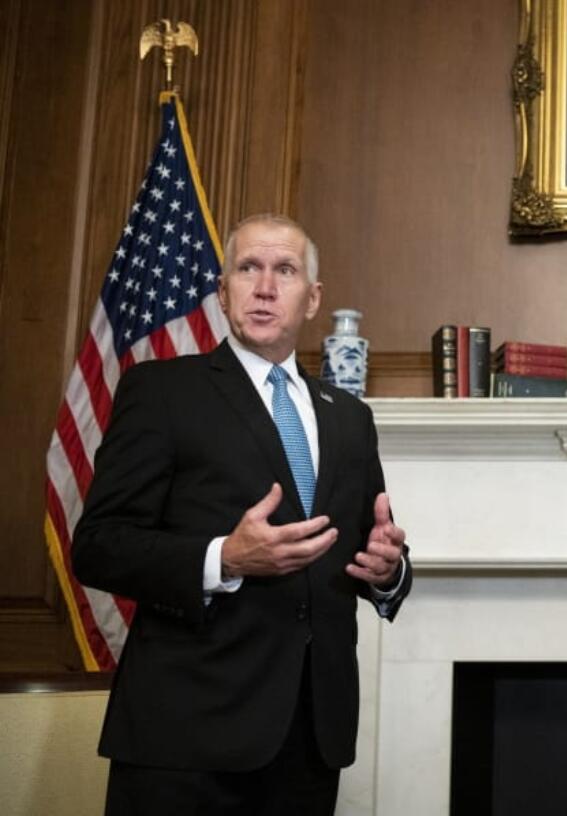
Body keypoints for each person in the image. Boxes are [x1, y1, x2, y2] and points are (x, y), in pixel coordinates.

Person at [73, 213, 412, 815]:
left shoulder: (348, 416)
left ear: (312, 299)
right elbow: (98, 544)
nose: (264, 286)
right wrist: (223, 557)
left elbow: (370, 546)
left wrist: (388, 571)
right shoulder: (161, 390)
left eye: (284, 271)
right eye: (247, 268)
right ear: (224, 292)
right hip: (186, 736)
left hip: (310, 739)